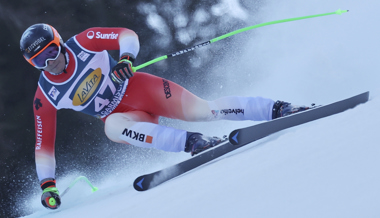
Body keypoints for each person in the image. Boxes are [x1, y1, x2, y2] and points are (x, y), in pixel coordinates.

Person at [20, 23, 309, 210]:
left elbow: (126, 35)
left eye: (52, 52)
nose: (51, 63)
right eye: (39, 61)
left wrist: (125, 59)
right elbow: (43, 146)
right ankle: (194, 143)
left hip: (142, 90)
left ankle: (279, 109)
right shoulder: (45, 96)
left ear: (60, 42)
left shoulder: (83, 42)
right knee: (112, 126)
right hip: (127, 118)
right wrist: (48, 186)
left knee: (202, 111)